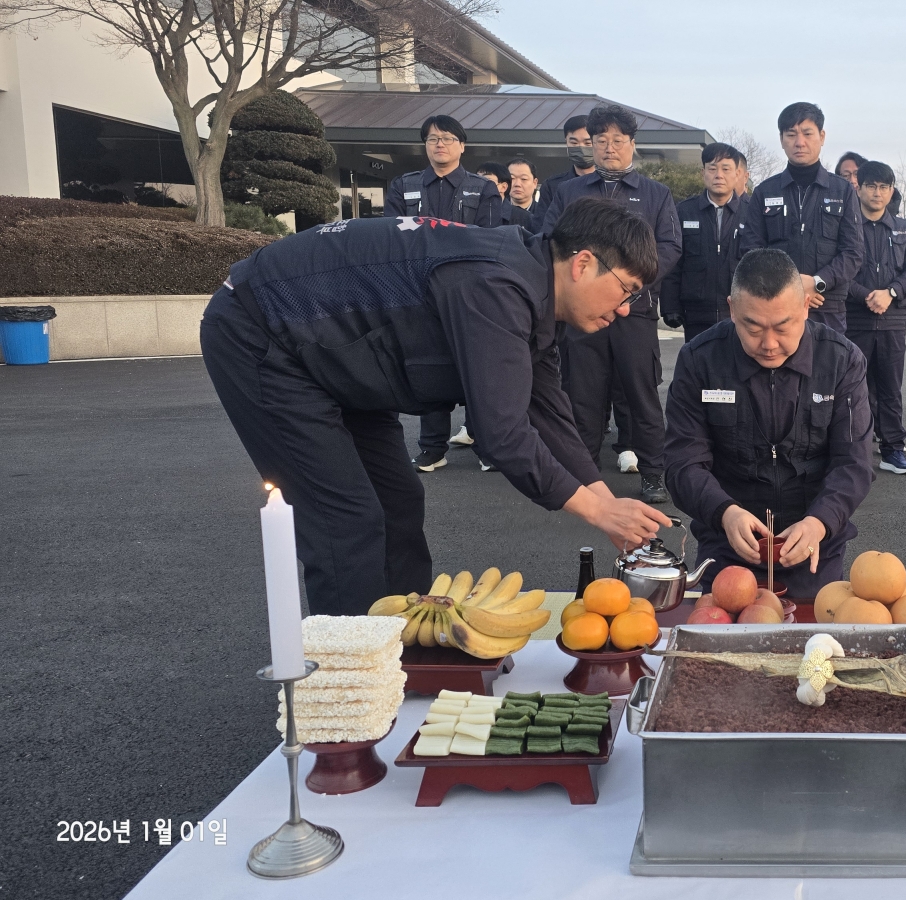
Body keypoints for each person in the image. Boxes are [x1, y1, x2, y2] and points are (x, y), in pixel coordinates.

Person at [200, 199, 674, 616]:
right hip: (262, 331)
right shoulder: (494, 282)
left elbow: (547, 410)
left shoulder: (531, 292)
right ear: (583, 263)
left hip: (340, 354)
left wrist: (608, 504)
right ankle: (355, 673)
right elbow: (502, 433)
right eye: (627, 289)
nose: (626, 309)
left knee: (399, 501)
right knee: (344, 519)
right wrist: (595, 512)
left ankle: (405, 646)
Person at [664, 249, 873, 599]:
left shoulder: (841, 361)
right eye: (753, 327)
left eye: (782, 327)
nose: (769, 344)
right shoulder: (700, 360)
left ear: (806, 306)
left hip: (813, 545)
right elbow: (682, 463)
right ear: (732, 309)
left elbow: (855, 463)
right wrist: (725, 513)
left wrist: (820, 521)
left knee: (815, 631)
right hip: (729, 543)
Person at [540, 104, 681, 504]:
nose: (609, 147)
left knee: (642, 394)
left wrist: (629, 286)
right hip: (582, 315)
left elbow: (670, 247)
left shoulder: (655, 194)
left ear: (632, 144)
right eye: (601, 140)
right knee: (581, 395)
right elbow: (550, 241)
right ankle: (584, 475)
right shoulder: (569, 193)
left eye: (618, 140)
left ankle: (653, 474)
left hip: (634, 311)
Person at [382, 115, 502, 473]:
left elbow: (489, 239)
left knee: (476, 367)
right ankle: (433, 448)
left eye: (448, 138)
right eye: (433, 138)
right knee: (429, 367)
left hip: (468, 290)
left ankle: (485, 444)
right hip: (418, 291)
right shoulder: (403, 186)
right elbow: (391, 236)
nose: (440, 144)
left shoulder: (483, 189)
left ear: (462, 146)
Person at [737, 102, 864, 335]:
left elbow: (853, 253)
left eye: (807, 133)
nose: (799, 142)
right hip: (777, 307)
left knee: (828, 359)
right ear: (781, 139)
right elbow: (751, 250)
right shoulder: (765, 191)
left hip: (827, 305)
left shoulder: (843, 191)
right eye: (791, 134)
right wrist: (793, 287)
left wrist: (817, 282)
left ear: (821, 136)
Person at [845, 161, 906, 476]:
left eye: (883, 187)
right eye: (871, 186)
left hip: (892, 321)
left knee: (890, 388)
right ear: (859, 188)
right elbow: (841, 269)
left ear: (891, 191)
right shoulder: (846, 227)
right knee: (853, 387)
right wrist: (866, 295)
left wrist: (890, 293)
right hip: (855, 320)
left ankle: (893, 450)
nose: (877, 193)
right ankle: (852, 452)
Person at [662, 143, 748, 342]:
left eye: (726, 169)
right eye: (712, 169)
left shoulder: (752, 212)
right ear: (703, 173)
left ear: (737, 174)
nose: (719, 175)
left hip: (740, 313)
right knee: (698, 360)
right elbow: (673, 261)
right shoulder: (684, 211)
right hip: (696, 313)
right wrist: (670, 306)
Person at [531, 115, 594, 231]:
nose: (581, 148)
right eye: (574, 143)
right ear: (566, 142)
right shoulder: (552, 186)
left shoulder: (610, 183)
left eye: (588, 143)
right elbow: (541, 229)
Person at [504, 157, 539, 229]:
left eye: (524, 179)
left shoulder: (543, 213)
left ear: (535, 183)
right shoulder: (497, 212)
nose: (517, 184)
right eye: (512, 178)